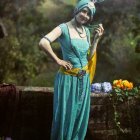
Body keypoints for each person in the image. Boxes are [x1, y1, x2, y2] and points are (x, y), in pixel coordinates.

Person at [39, 0, 104, 139]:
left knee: (80, 116)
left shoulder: (86, 31)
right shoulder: (63, 28)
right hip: (68, 80)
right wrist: (58, 60)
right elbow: (43, 42)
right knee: (66, 116)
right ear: (77, 10)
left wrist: (96, 40)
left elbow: (89, 56)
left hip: (84, 79)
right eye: (83, 11)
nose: (85, 15)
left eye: (88, 14)